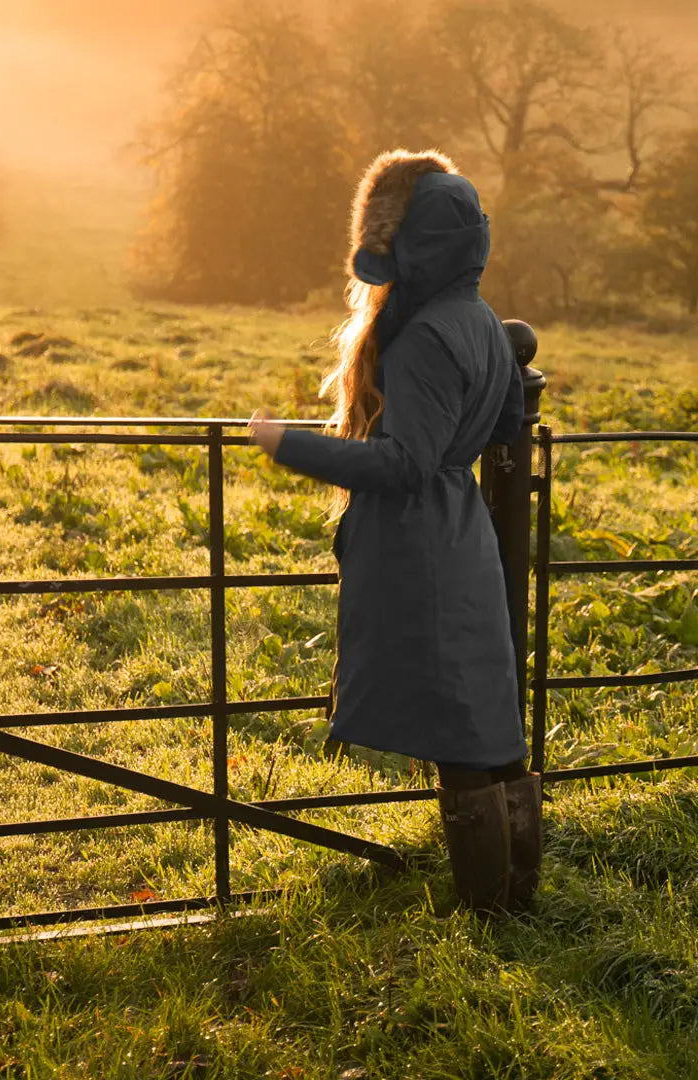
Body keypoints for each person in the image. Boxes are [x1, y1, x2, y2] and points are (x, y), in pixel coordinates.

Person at [248, 148, 541, 915]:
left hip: (423, 548)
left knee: (460, 738)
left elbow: (405, 463)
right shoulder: (481, 322)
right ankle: (516, 901)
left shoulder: (422, 338)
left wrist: (290, 445)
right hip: (466, 536)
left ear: (412, 246)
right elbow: (508, 422)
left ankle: (487, 912)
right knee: (488, 727)